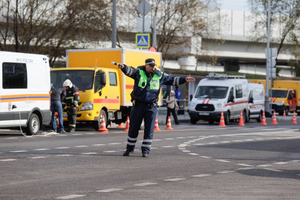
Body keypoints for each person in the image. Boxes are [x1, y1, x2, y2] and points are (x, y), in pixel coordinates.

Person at [117, 58, 195, 157]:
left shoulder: (159, 75)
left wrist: (184, 79)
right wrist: (123, 67)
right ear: (146, 65)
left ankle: (145, 150)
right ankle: (129, 149)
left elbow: (172, 80)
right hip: (138, 105)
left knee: (149, 129)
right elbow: (130, 71)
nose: (153, 67)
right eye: (151, 65)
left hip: (151, 107)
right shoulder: (138, 72)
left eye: (154, 65)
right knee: (133, 128)